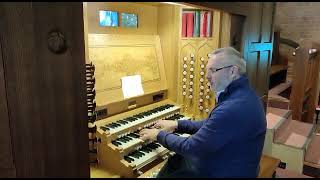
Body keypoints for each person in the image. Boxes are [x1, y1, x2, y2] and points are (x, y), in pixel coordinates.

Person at [139, 47, 267, 178]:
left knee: (176, 163)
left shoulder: (232, 107)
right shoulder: (244, 95)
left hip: (229, 171)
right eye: (207, 70)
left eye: (213, 70)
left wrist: (158, 135)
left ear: (233, 71)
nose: (207, 76)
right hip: (238, 164)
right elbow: (211, 124)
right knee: (177, 161)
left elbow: (192, 147)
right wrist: (177, 124)